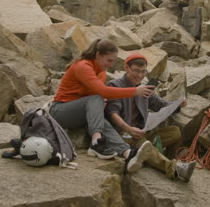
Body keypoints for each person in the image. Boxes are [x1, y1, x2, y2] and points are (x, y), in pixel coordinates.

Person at [49, 39, 155, 160]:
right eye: (109, 60)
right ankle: (96, 143)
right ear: (98, 55)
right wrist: (135, 91)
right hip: (60, 110)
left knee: (101, 119)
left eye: (113, 61)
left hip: (80, 113)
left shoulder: (101, 72)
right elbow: (103, 92)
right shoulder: (83, 66)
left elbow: (99, 95)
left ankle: (127, 153)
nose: (110, 64)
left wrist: (100, 105)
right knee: (96, 98)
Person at [105, 53, 196, 181]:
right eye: (136, 71)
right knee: (144, 145)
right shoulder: (114, 85)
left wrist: (177, 104)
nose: (140, 75)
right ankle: (175, 169)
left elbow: (159, 104)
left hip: (142, 133)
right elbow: (112, 113)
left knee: (175, 132)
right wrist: (128, 129)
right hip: (123, 136)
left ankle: (159, 157)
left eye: (143, 72)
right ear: (126, 68)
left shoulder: (144, 87)